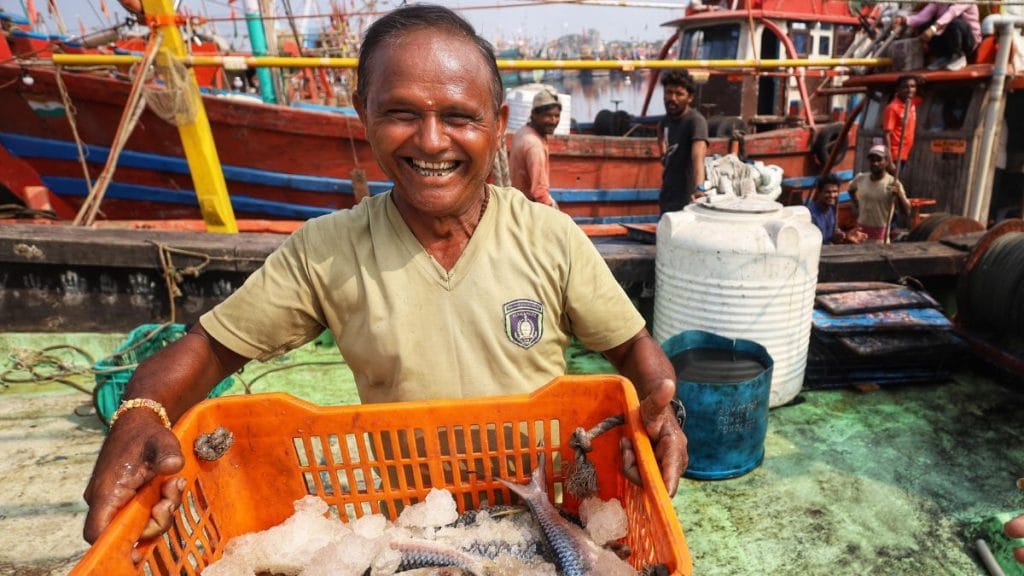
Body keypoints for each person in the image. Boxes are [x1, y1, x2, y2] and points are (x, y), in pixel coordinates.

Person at [81, 4, 687, 551]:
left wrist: (664, 412)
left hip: (547, 509)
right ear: (362, 114)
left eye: (459, 117)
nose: (430, 140)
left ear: (498, 123)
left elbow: (633, 349)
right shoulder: (327, 249)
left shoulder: (549, 237)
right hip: (412, 524)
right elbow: (209, 348)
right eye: (400, 113)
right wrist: (142, 410)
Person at [657, 70, 708, 214]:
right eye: (668, 92)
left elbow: (698, 158)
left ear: (690, 97)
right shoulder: (664, 122)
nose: (672, 98)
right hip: (667, 199)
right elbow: (661, 144)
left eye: (679, 94)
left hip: (688, 201)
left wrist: (699, 189)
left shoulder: (696, 121)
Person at [848, 144, 911, 244]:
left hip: (880, 239)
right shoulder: (860, 178)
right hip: (860, 236)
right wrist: (857, 204)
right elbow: (851, 190)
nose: (875, 163)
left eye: (879, 160)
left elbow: (906, 211)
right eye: (872, 160)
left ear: (886, 162)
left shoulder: (893, 183)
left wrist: (899, 195)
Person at [508, 88, 561, 207]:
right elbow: (539, 193)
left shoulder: (522, 132)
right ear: (534, 114)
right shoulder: (534, 145)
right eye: (548, 116)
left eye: (556, 116)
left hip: (517, 204)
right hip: (528, 209)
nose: (553, 121)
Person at [895, 3, 981, 71]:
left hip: (968, 41)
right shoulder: (939, 2)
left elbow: (951, 13)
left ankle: (958, 56)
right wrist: (904, 19)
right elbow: (922, 17)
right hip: (948, 38)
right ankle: (945, 57)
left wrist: (933, 29)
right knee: (923, 26)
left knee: (954, 23)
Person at [807, 173, 866, 245]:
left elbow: (833, 235)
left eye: (835, 192)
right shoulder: (810, 214)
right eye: (827, 192)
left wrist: (845, 236)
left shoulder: (831, 209)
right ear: (819, 192)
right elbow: (811, 243)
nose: (832, 195)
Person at [882, 75, 919, 172]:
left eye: (912, 86)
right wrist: (889, 161)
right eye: (905, 87)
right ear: (898, 89)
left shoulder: (912, 103)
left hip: (906, 153)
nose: (910, 90)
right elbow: (886, 135)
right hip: (895, 155)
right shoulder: (893, 108)